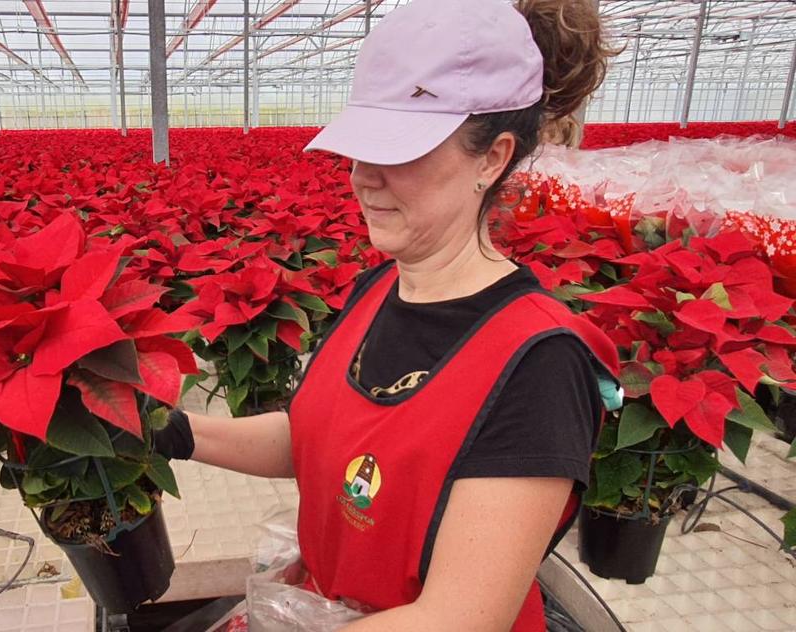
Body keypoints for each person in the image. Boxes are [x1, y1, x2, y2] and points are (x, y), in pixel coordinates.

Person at [156, 0, 621, 629]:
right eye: (359, 148)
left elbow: (459, 617)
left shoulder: (538, 361)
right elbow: (316, 439)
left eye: (399, 151)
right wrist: (172, 429)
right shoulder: (380, 289)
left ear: (492, 157)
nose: (363, 177)